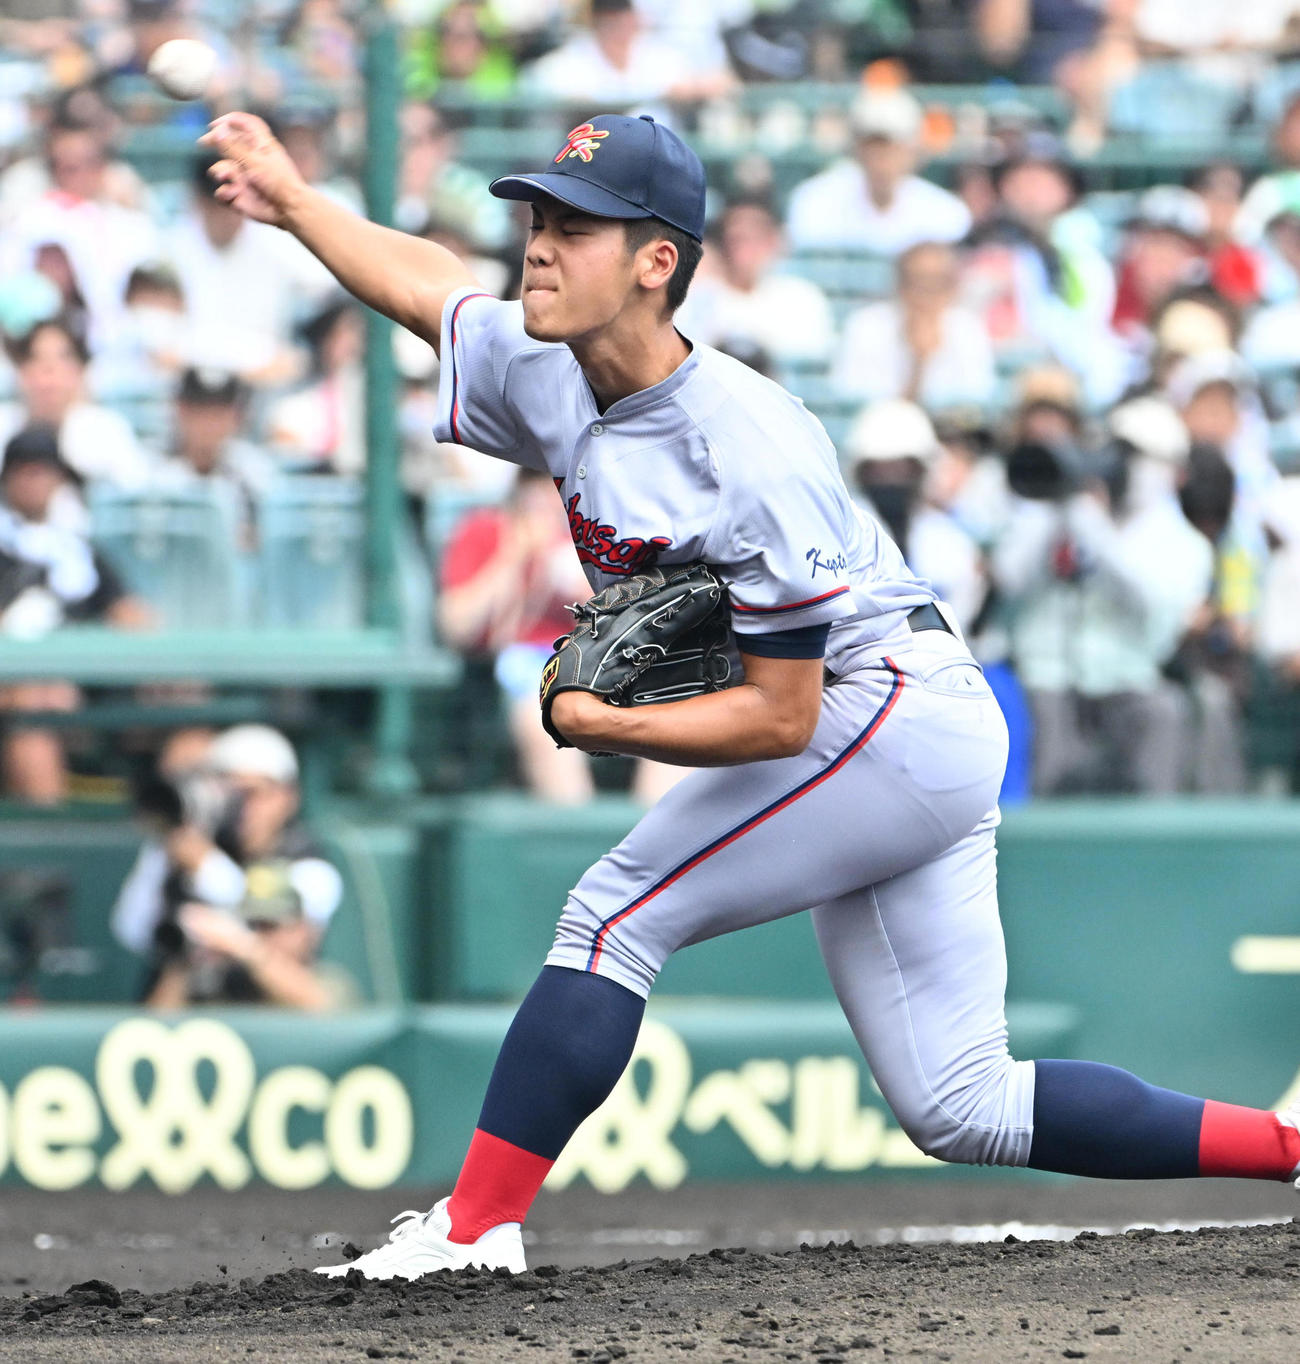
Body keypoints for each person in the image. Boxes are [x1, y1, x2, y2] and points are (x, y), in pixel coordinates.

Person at [202, 106, 1300, 1282]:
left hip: (884, 705)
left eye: (573, 227)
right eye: (536, 218)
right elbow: (429, 290)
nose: (536, 245)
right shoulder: (550, 361)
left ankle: (472, 1231)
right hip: (884, 720)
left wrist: (604, 723)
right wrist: (299, 201)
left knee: (614, 913)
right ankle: (1290, 1148)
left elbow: (780, 717)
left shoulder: (749, 444)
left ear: (654, 261)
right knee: (959, 1102)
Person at [111, 724, 347, 1010]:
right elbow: (132, 929)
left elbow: (272, 910)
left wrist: (205, 865)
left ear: (287, 797)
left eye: (253, 793)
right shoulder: (187, 853)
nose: (241, 807)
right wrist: (167, 843)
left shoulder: (308, 866)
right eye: (229, 793)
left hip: (271, 1012)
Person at [0, 423, 149, 804]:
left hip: (78, 693)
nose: (35, 481)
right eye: (25, 470)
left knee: (179, 703)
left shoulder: (77, 548)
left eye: (44, 470)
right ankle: (54, 846)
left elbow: (131, 615)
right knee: (31, 718)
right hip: (15, 694)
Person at [785, 88, 970, 254]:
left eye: (892, 148)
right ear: (856, 150)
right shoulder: (814, 201)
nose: (882, 160)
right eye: (872, 147)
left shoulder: (945, 212)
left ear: (913, 152)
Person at [831, 240, 996, 408]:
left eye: (938, 282)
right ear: (899, 285)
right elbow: (853, 403)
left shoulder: (967, 329)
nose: (927, 293)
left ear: (953, 287)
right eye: (918, 282)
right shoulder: (865, 326)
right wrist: (918, 364)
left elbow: (975, 401)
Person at [677, 196, 834, 367]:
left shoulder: (803, 298)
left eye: (755, 238)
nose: (745, 249)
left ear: (774, 241)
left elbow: (810, 366)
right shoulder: (696, 297)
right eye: (736, 238)